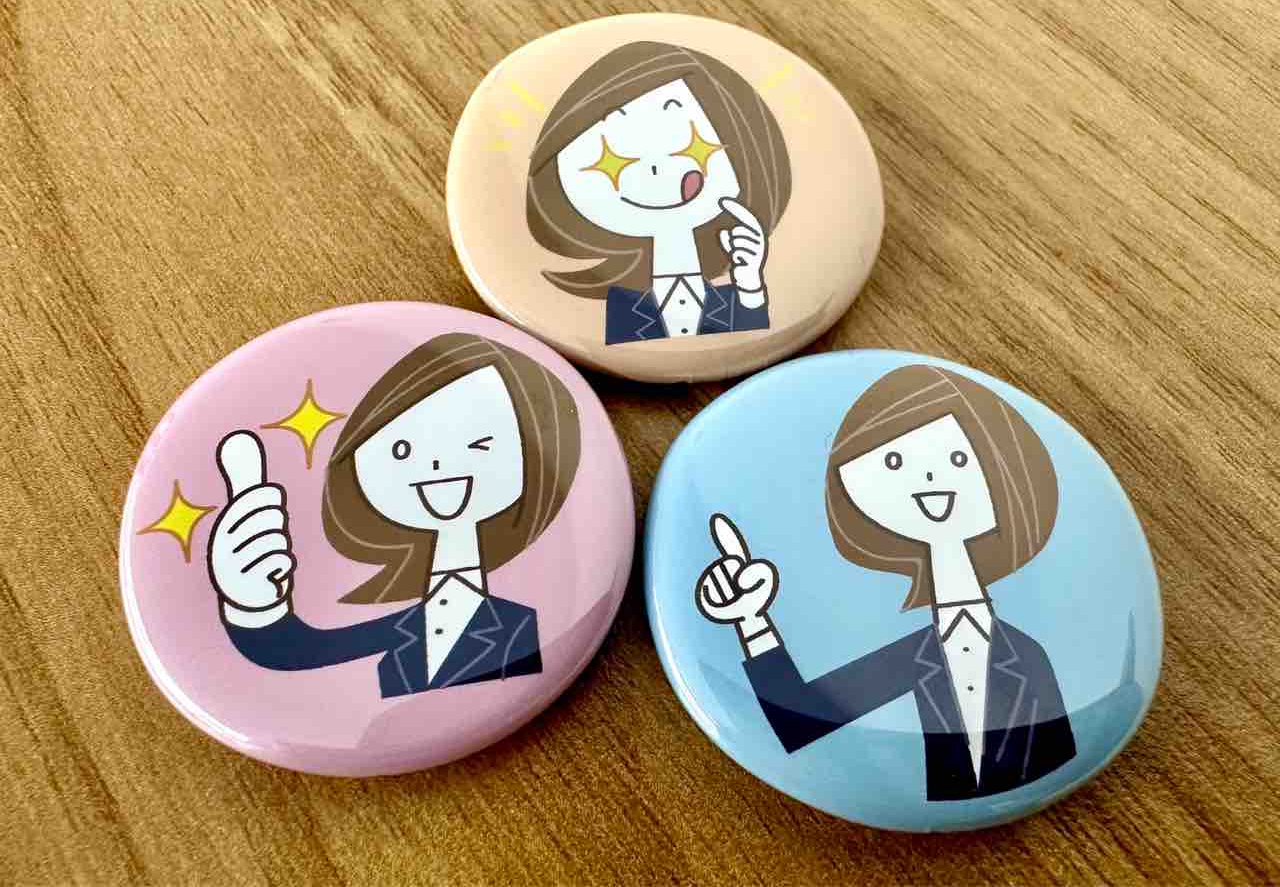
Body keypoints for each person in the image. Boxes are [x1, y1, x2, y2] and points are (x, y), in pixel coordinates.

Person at [695, 364, 1076, 801]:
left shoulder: (1029, 655)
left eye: (958, 459)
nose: (930, 478)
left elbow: (1058, 761)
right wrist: (751, 621)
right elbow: (800, 720)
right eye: (894, 463)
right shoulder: (917, 655)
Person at [206, 333, 581, 698]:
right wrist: (254, 604)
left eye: (480, 444)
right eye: (401, 450)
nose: (437, 464)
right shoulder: (408, 625)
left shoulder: (538, 620)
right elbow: (297, 653)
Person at [527, 41, 792, 345]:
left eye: (679, 141)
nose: (655, 169)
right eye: (623, 148)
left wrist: (750, 288)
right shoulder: (609, 315)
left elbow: (747, 338)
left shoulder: (742, 300)